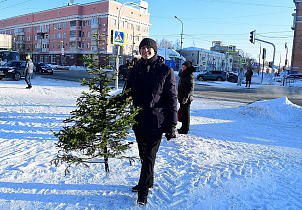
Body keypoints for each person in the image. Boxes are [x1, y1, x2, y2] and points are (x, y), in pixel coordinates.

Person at [124, 38, 178, 206]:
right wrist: (109, 104)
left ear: (155, 50)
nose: (145, 51)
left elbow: (172, 98)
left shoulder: (165, 71)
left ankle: (143, 190)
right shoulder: (135, 70)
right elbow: (127, 93)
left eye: (149, 48)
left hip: (157, 120)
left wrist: (172, 124)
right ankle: (149, 180)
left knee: (149, 156)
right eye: (143, 48)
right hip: (138, 119)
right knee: (143, 154)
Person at [177, 61, 195, 134]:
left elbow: (190, 87)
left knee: (185, 114)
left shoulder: (189, 75)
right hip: (182, 96)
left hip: (186, 98)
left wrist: (186, 97)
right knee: (183, 113)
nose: (183, 68)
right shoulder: (183, 74)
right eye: (182, 66)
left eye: (184, 67)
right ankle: (183, 127)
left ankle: (185, 129)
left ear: (187, 68)